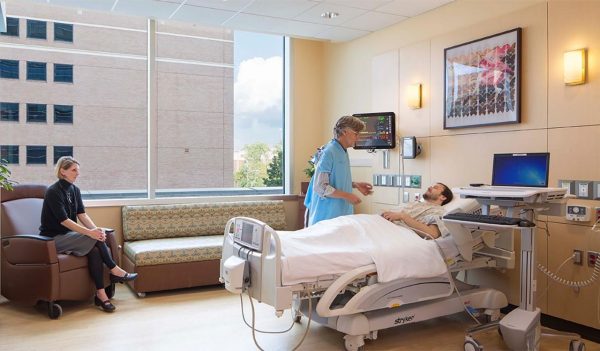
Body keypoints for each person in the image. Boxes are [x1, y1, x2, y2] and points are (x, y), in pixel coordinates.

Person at [39, 156, 138, 313]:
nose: (77, 173)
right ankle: (115, 269)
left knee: (95, 250)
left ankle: (101, 295)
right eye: (73, 170)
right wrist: (90, 233)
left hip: (70, 236)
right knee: (94, 239)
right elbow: (64, 220)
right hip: (53, 240)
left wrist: (96, 230)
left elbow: (82, 215)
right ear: (62, 171)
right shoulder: (53, 192)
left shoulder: (75, 190)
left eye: (78, 170)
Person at [304, 115, 373, 226]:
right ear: (345, 132)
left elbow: (335, 180)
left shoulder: (343, 151)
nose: (358, 138)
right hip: (326, 216)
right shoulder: (329, 152)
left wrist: (355, 184)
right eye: (356, 134)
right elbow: (320, 186)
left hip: (340, 215)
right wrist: (347, 195)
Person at [381, 183, 453, 239]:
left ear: (443, 197)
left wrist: (403, 216)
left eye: (435, 187)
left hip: (395, 233)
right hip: (384, 226)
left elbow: (432, 234)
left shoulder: (437, 211)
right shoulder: (416, 204)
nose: (429, 187)